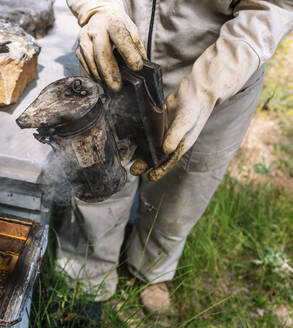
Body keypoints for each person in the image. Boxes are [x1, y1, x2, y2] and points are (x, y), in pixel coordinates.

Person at [57, 0, 293, 314]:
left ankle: (153, 268)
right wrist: (97, 8)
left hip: (220, 66)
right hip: (112, 54)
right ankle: (88, 275)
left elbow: (274, 6)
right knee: (100, 168)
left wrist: (207, 87)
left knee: (185, 183)